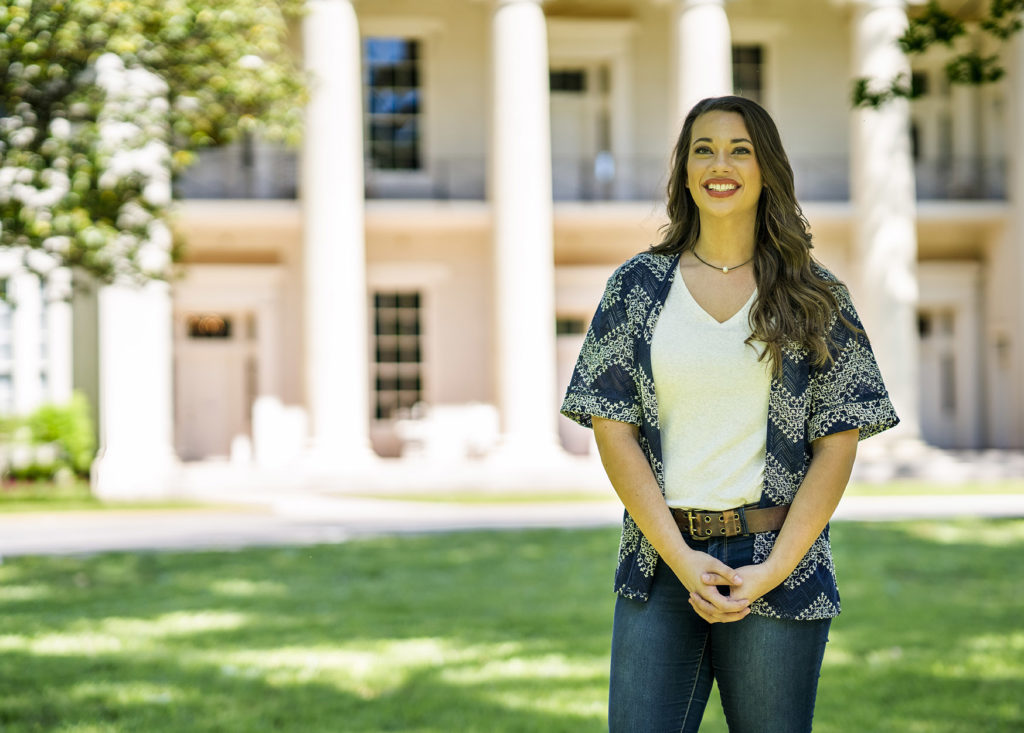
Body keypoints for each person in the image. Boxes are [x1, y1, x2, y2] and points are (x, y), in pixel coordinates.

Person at [560, 95, 899, 733]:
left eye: (740, 150)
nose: (722, 164)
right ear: (685, 173)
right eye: (704, 150)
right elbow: (612, 428)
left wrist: (772, 570)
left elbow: (839, 443)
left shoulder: (815, 294)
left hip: (778, 562)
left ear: (766, 168)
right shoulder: (636, 288)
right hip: (661, 561)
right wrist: (682, 559)